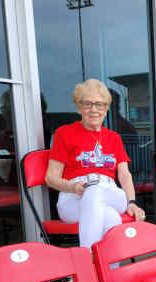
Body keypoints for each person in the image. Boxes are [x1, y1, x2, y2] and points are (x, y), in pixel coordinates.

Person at [45, 79, 146, 249]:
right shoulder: (64, 133)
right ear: (79, 107)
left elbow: (124, 174)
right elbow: (50, 178)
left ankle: (87, 260)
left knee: (96, 192)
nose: (93, 109)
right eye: (87, 104)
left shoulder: (114, 137)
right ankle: (110, 269)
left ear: (106, 109)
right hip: (73, 199)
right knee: (110, 217)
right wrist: (71, 187)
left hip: (111, 193)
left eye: (99, 104)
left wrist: (132, 202)